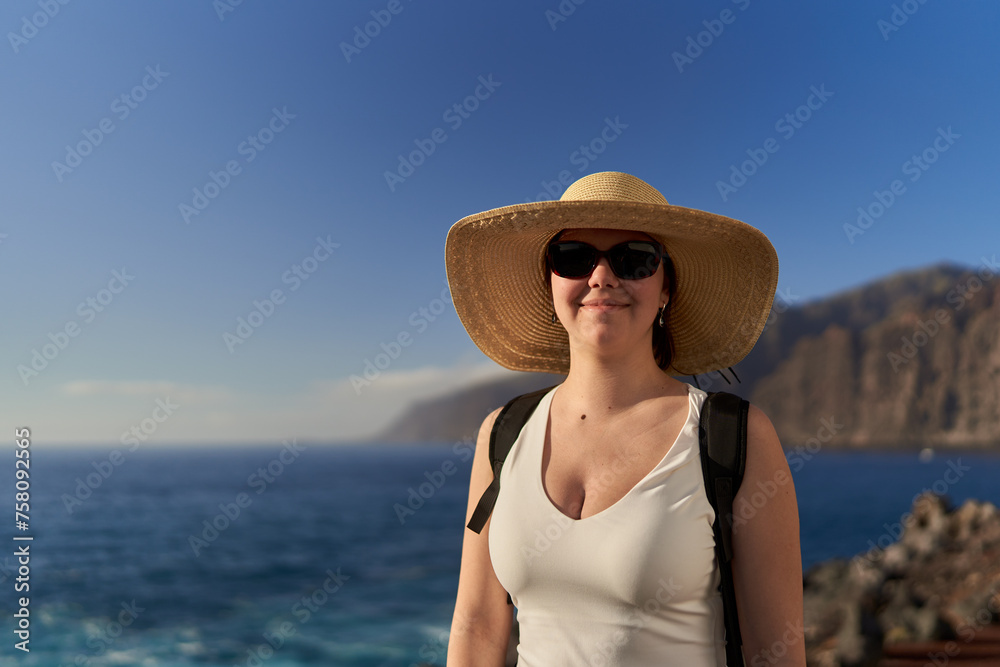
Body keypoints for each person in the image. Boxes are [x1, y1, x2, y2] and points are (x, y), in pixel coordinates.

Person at [443, 171, 804, 666]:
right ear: (549, 283)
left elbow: (776, 653)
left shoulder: (732, 437)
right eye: (573, 258)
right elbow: (477, 628)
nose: (601, 277)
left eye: (634, 259)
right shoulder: (503, 433)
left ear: (665, 289)